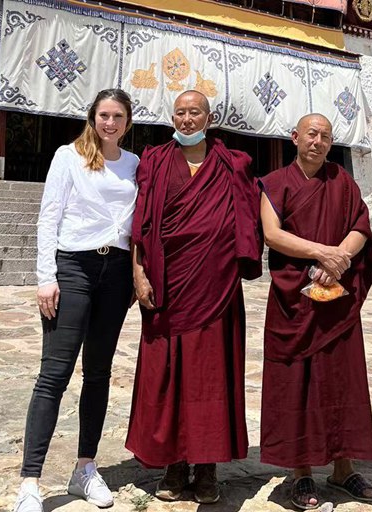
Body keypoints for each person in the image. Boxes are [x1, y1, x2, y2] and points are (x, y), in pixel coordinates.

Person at [125, 90, 262, 504]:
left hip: (216, 288)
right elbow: (141, 221)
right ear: (173, 117)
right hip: (166, 286)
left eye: (194, 112)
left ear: (209, 116)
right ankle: (173, 464)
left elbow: (251, 216)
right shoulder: (154, 161)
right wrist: (137, 271)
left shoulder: (233, 164)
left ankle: (207, 467)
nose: (186, 120)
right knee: (167, 375)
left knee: (211, 376)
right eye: (180, 113)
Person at [13, 89, 139, 512]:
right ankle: (30, 480)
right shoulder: (69, 156)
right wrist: (46, 277)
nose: (110, 123)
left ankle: (85, 467)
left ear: (127, 122)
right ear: (92, 117)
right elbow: (50, 214)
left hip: (116, 274)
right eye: (103, 115)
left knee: (99, 372)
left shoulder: (134, 165)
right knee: (54, 373)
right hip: (73, 269)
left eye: (117, 116)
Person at [258, 114, 372, 510]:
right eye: (311, 134)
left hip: (336, 295)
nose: (318, 141)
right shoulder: (274, 183)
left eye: (325, 136)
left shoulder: (342, 182)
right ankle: (300, 472)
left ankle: (344, 468)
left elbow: (360, 224)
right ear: (295, 138)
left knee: (340, 380)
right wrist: (320, 252)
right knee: (296, 382)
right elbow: (272, 234)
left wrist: (339, 258)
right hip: (294, 297)